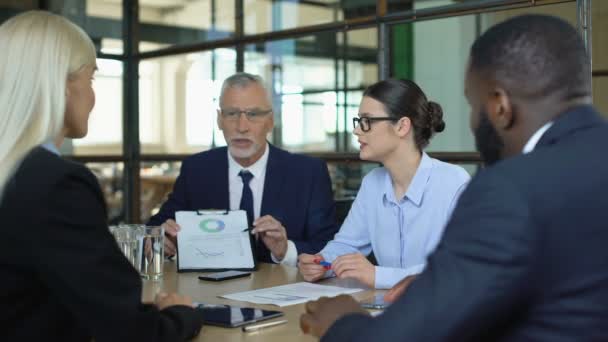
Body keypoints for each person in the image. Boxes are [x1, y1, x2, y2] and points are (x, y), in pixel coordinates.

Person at [299, 14, 608, 341]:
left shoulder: (508, 189)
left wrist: (341, 322)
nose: (474, 123)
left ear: (500, 106)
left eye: (474, 105)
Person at [0, 11, 203, 341]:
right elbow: (129, 331)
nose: (93, 96)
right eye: (90, 79)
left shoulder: (15, 174)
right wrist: (182, 315)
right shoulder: (57, 185)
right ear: (62, 85)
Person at [148, 73, 338, 265]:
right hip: (210, 290)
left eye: (253, 114)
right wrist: (162, 241)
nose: (242, 126)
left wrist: (285, 250)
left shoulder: (307, 173)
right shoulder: (197, 169)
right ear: (219, 120)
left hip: (281, 289)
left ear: (270, 121)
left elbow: (329, 246)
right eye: (231, 114)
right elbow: (157, 227)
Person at [297, 79, 470, 289]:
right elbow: (347, 244)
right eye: (358, 120)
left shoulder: (453, 183)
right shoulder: (373, 183)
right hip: (390, 309)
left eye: (367, 121)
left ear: (401, 126)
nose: (357, 131)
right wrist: (322, 261)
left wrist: (378, 276)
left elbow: (456, 267)